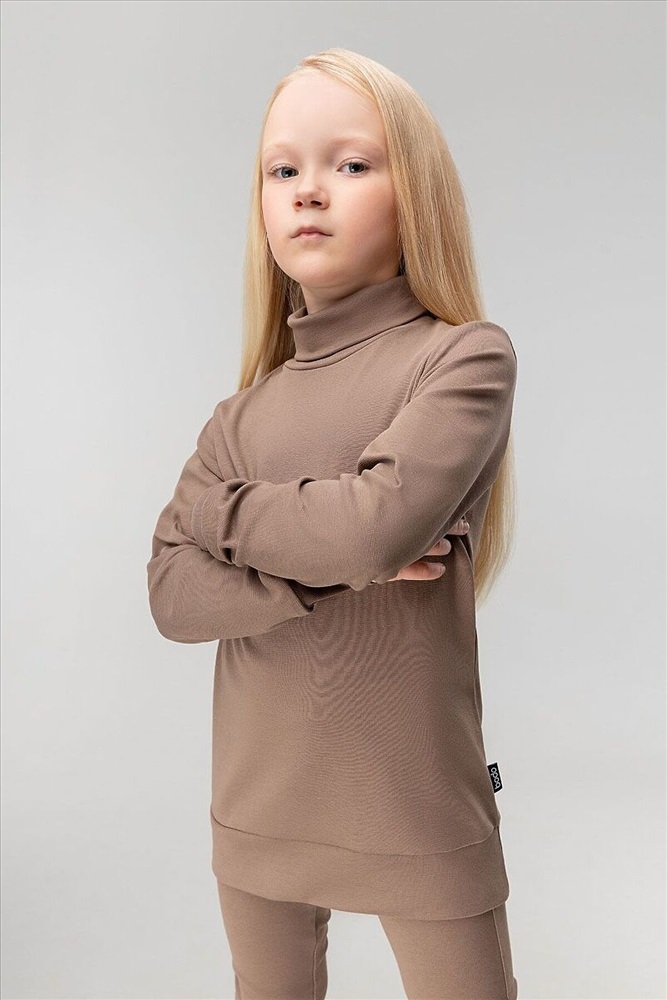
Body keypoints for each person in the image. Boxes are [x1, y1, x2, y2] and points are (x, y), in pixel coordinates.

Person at [147, 46, 519, 1000]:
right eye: (283, 169)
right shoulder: (240, 414)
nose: (309, 189)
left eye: (350, 163)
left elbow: (369, 531)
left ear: (416, 194)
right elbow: (173, 597)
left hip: (414, 805)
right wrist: (328, 559)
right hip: (257, 805)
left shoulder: (462, 359)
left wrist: (220, 515)